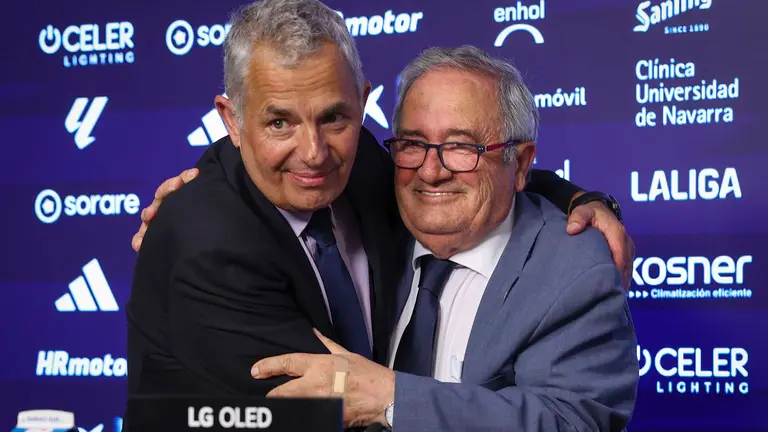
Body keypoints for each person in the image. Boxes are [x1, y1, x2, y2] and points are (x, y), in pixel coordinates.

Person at [125, 0, 634, 427]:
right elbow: (323, 411)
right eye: (278, 122)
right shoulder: (206, 243)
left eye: (334, 117)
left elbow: (575, 421)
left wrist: (576, 197)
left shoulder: (370, 169)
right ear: (232, 123)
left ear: (360, 108)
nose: (314, 153)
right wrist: (195, 200)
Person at [247, 46, 639, 431]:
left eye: (461, 147)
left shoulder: (574, 269)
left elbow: (570, 422)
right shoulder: (372, 225)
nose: (431, 172)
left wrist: (390, 397)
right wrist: (195, 192)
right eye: (414, 144)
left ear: (519, 163)